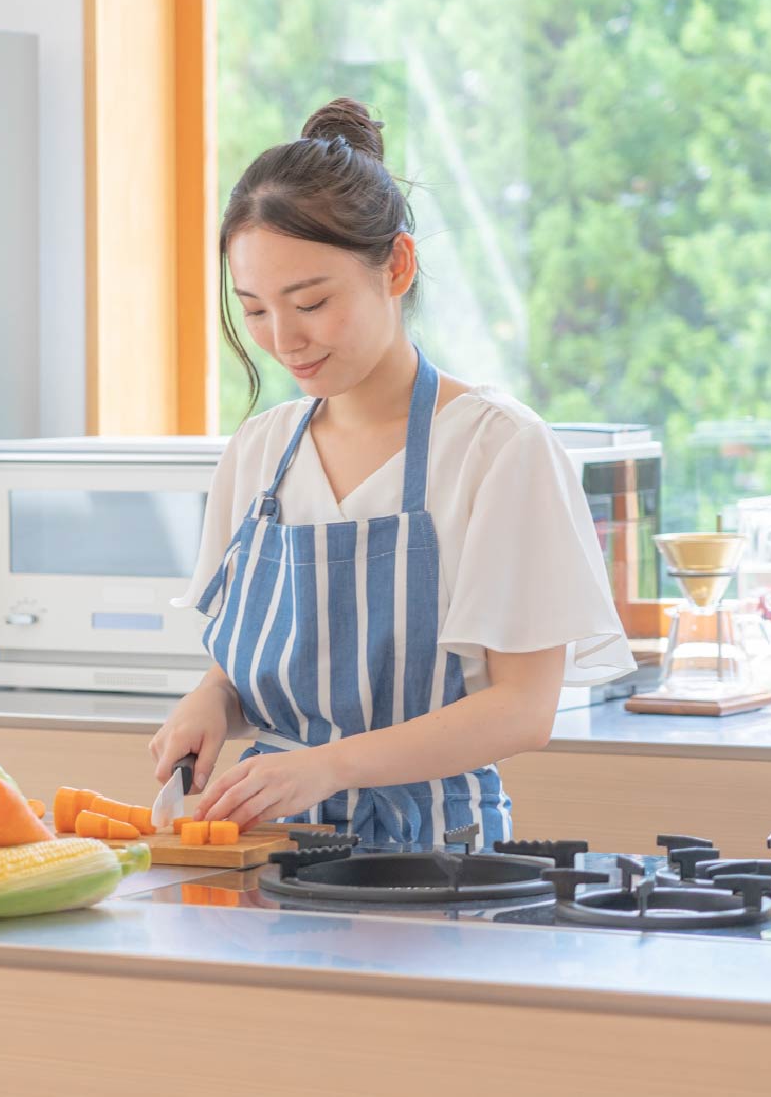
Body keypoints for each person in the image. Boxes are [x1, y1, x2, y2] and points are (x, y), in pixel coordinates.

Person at [147, 97, 635, 848]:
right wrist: (213, 699)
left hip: (435, 857)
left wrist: (328, 768)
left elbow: (522, 709)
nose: (284, 340)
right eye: (256, 312)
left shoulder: (497, 447)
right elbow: (269, 668)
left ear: (398, 266)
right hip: (269, 845)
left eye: (311, 302)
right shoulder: (259, 452)